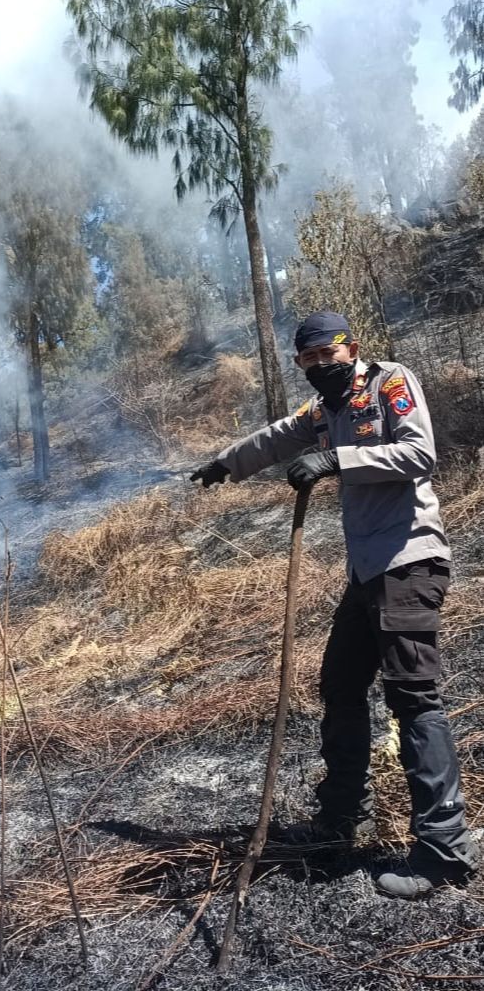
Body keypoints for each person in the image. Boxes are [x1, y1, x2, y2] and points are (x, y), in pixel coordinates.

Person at [191, 310, 478, 899]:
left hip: (409, 559)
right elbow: (277, 435)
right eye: (308, 360)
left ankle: (445, 849)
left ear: (352, 349)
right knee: (341, 685)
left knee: (413, 696)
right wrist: (227, 463)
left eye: (329, 354)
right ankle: (343, 818)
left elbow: (419, 453)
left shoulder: (389, 382)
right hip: (366, 570)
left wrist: (336, 461)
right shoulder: (325, 410)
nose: (321, 366)